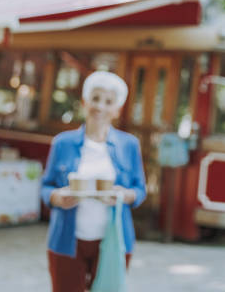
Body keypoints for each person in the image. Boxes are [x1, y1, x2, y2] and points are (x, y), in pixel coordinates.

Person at [41, 71, 146, 292]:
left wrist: (123, 195)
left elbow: (140, 189)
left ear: (117, 109)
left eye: (108, 102)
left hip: (114, 241)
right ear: (84, 102)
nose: (100, 106)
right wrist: (56, 197)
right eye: (95, 98)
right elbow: (45, 186)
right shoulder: (62, 143)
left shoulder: (129, 145)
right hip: (66, 241)